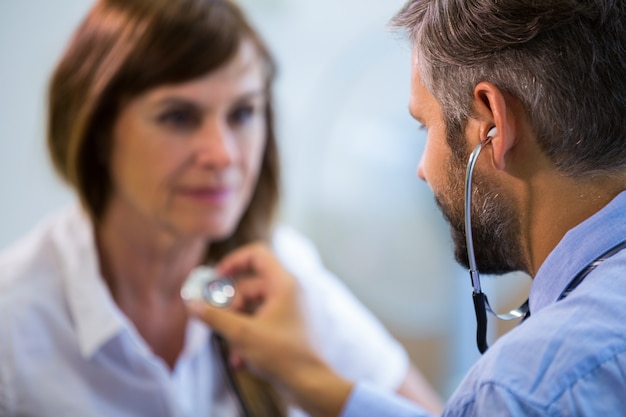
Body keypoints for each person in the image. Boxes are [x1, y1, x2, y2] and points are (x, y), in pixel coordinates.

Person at [0, 0, 444, 416]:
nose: (223, 154)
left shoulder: (283, 274)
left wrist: (309, 378)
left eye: (242, 113)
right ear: (98, 132)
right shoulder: (15, 319)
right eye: (178, 117)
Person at [187, 0, 626, 416]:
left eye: (424, 126)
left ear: (492, 124)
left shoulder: (524, 388)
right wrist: (317, 384)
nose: (419, 169)